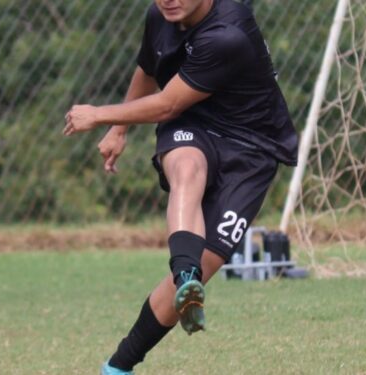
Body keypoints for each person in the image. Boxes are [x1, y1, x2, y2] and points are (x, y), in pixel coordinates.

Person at [63, 0, 297, 373]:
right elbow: (148, 66)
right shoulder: (160, 14)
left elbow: (168, 103)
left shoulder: (227, 35)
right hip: (193, 124)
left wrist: (100, 114)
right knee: (186, 167)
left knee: (206, 262)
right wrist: (119, 129)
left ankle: (118, 364)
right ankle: (186, 275)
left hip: (252, 149)